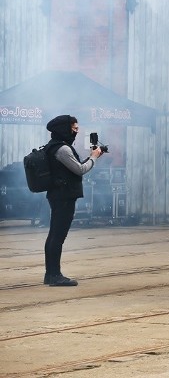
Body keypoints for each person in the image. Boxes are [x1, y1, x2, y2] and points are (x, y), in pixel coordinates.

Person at [42, 115, 102, 287]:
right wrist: (94, 157)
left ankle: (50, 274)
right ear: (64, 129)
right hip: (64, 197)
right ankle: (55, 275)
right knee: (58, 236)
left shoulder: (53, 146)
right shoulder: (63, 149)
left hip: (58, 195)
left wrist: (93, 157)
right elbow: (80, 169)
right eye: (74, 129)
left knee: (54, 234)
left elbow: (73, 169)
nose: (77, 132)